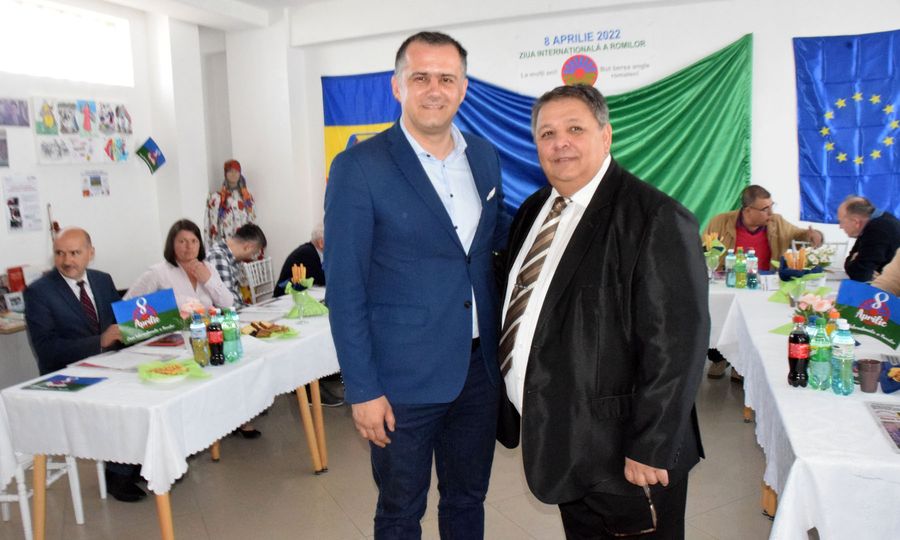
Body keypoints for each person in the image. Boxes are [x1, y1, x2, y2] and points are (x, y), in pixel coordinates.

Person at [496, 84, 707, 539]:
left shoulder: (654, 217)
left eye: (575, 129)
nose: (560, 143)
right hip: (563, 440)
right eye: (547, 133)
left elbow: (677, 346)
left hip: (626, 457)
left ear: (606, 135)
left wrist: (651, 444)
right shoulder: (534, 210)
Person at [324, 31, 509, 538]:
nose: (434, 89)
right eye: (420, 77)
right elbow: (345, 289)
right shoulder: (358, 167)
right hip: (400, 380)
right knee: (401, 511)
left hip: (477, 371)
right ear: (397, 86)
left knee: (468, 500)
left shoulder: (484, 157)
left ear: (463, 88)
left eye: (446, 78)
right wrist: (363, 389)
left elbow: (489, 251)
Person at [23, 227, 144, 503]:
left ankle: (136, 461)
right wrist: (99, 341)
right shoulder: (39, 292)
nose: (67, 260)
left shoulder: (102, 280)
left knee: (147, 385)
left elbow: (121, 324)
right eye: (60, 253)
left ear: (91, 253)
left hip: (109, 364)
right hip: (66, 375)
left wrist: (149, 326)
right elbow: (46, 349)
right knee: (118, 398)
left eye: (75, 253)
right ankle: (118, 474)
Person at [704, 185, 824, 379]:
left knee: (753, 326)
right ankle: (719, 358)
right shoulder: (721, 222)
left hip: (763, 286)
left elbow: (799, 235)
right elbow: (705, 248)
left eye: (771, 206)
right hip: (728, 282)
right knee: (718, 316)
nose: (771, 212)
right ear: (747, 210)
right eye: (765, 209)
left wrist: (814, 236)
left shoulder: (776, 222)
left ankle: (740, 365)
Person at [126, 219, 234, 311]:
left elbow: (228, 304)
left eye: (194, 241)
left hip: (208, 327)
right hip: (172, 329)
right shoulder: (157, 272)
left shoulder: (208, 268)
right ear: (172, 244)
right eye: (182, 241)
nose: (189, 246)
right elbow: (126, 306)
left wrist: (208, 280)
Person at [838, 195, 900, 282]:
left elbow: (860, 274)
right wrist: (854, 263)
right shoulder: (872, 224)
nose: (840, 226)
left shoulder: (878, 229)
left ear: (856, 222)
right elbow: (850, 263)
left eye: (841, 221)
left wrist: (855, 261)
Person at [206, 223, 267, 307]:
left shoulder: (232, 257)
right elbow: (228, 305)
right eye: (253, 253)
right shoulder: (218, 257)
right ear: (247, 247)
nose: (251, 257)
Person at [205, 159, 257, 245]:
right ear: (225, 173)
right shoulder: (217, 198)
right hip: (225, 242)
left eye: (236, 171)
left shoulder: (247, 197)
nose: (234, 174)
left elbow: (252, 220)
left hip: (244, 242)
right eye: (230, 171)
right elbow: (212, 224)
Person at [274, 223, 326, 297]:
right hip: (283, 296)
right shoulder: (308, 253)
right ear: (321, 243)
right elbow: (321, 280)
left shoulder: (311, 250)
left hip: (295, 295)